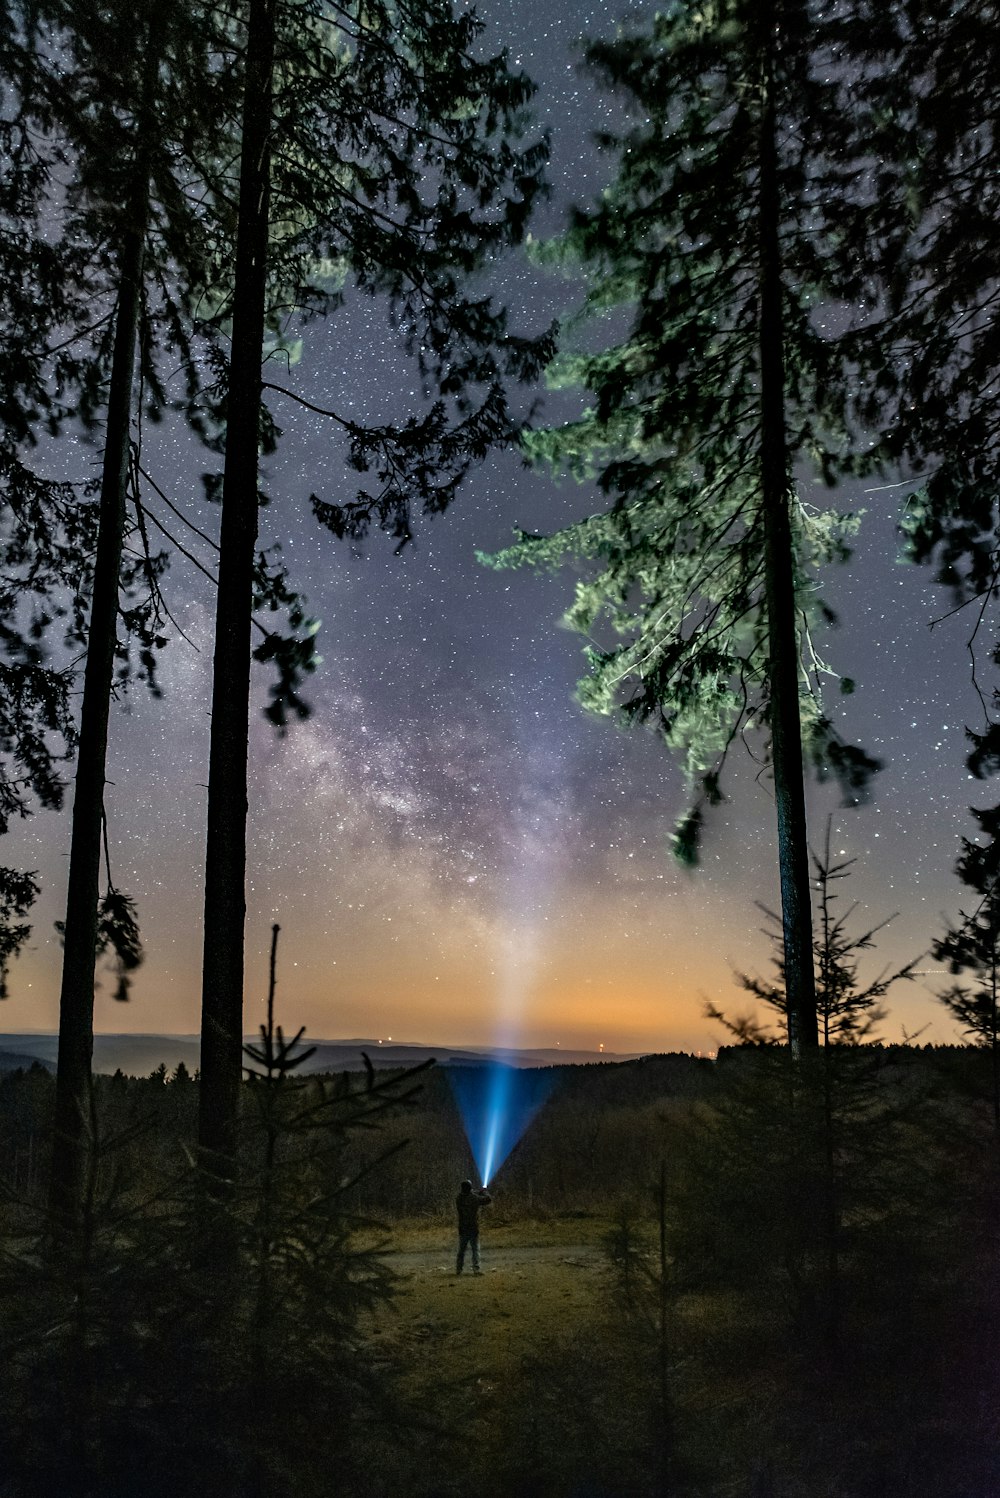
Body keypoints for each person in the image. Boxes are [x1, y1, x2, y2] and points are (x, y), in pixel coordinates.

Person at [455, 1178, 491, 1275]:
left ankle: (459, 1269)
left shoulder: (459, 1198)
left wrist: (479, 1191)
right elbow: (487, 1199)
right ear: (470, 1188)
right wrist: (485, 1191)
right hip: (473, 1228)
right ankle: (476, 1269)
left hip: (462, 1228)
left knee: (461, 1251)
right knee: (475, 1250)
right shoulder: (474, 1198)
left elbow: (469, 1193)